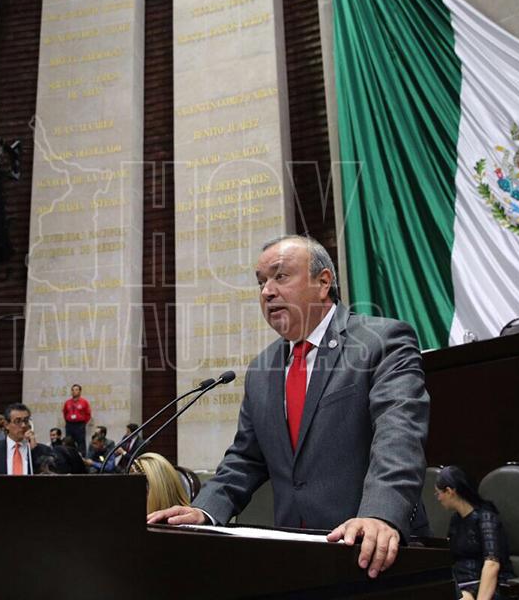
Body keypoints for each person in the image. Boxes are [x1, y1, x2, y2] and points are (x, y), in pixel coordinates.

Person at [147, 235, 430, 580]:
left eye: (280, 276)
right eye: (261, 282)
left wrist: (380, 515)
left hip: (371, 555)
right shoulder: (261, 369)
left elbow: (398, 436)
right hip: (295, 560)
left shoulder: (380, 342)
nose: (267, 291)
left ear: (323, 282)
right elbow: (245, 459)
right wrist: (205, 511)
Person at [434, 466, 515, 600]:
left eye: (438, 493)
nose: (438, 498)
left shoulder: (486, 518)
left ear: (449, 491)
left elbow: (492, 564)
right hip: (460, 583)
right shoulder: (456, 520)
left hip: (484, 585)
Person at [0, 403, 52, 475]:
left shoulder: (43, 450)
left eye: (26, 421)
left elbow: (51, 473)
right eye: (18, 421)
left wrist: (35, 450)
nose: (23, 425)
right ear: (6, 425)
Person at [62, 384, 92, 455]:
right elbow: (65, 413)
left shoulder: (84, 402)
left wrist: (83, 423)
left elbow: (88, 414)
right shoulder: (67, 402)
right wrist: (68, 420)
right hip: (70, 425)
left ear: (80, 391)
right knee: (68, 442)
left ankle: (82, 457)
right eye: (72, 390)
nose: (74, 391)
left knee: (81, 443)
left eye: (76, 390)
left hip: (80, 425)